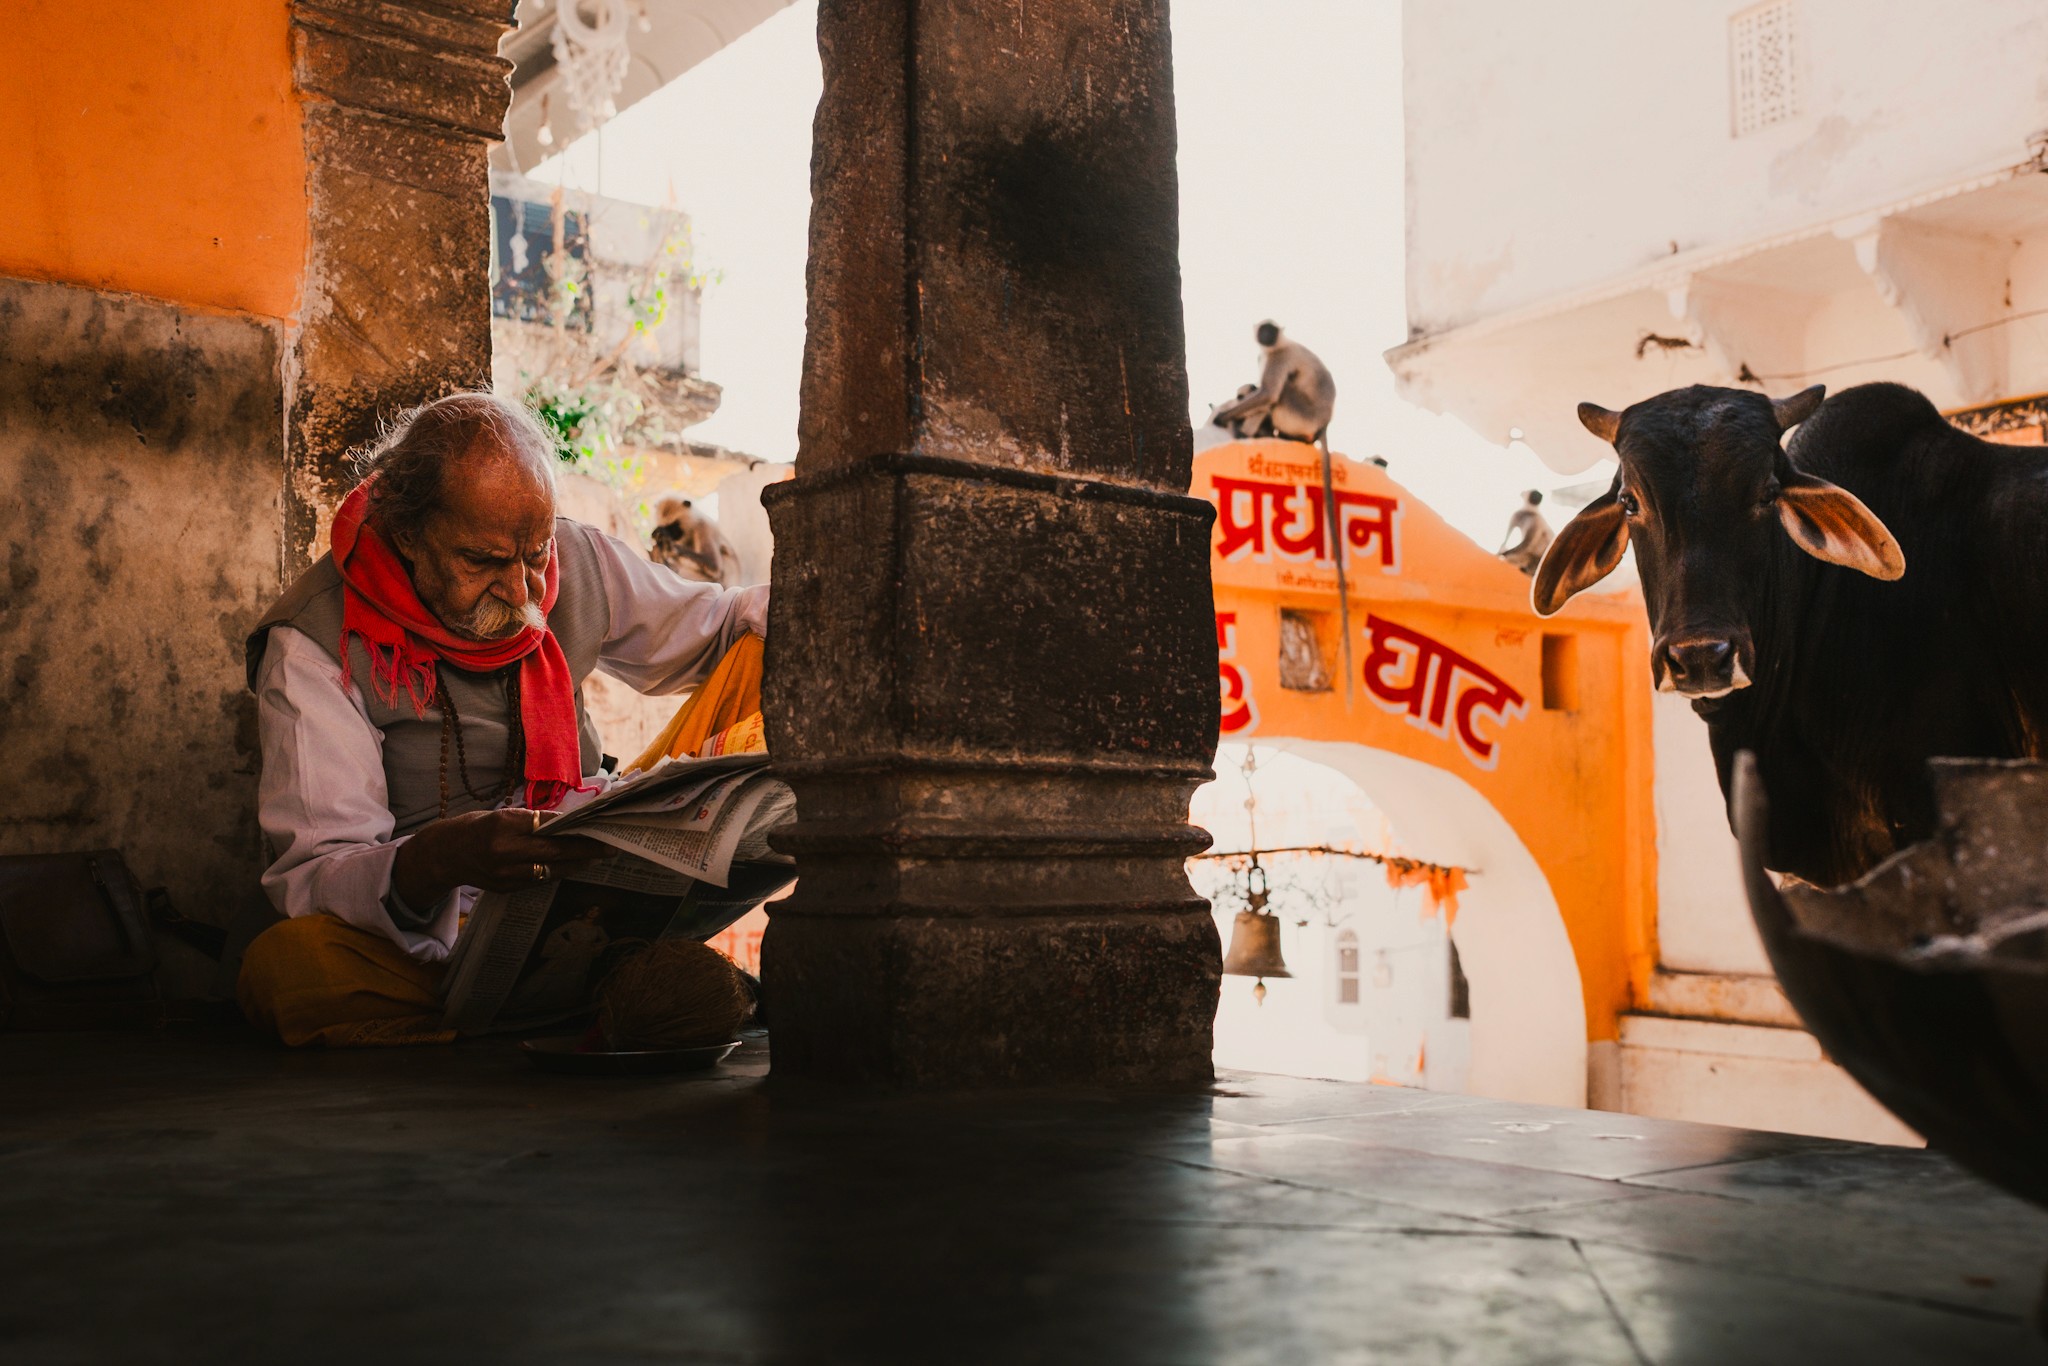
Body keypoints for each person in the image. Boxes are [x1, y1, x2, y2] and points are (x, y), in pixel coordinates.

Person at [236, 393, 769, 1046]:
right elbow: (321, 875)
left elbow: (717, 627)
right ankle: (590, 1000)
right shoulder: (313, 644)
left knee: (769, 653)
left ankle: (583, 991)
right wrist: (443, 859)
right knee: (289, 970)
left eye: (535, 555)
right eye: (482, 560)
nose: (521, 590)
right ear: (408, 533)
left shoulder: (575, 559)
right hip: (430, 945)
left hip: (585, 899)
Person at [1498, 490, 1554, 577]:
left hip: (1538, 560)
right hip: (1529, 557)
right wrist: (1502, 552)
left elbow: (1527, 545)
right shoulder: (1519, 515)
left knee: (1509, 561)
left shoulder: (1537, 520)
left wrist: (1505, 553)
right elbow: (1506, 539)